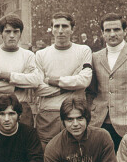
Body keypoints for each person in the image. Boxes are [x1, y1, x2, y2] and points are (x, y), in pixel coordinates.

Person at [35, 12, 92, 150]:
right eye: (57, 26)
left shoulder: (83, 50)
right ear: (52, 29)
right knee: (47, 154)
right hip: (48, 113)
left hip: (75, 113)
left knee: (76, 154)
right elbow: (38, 88)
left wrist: (53, 80)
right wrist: (71, 85)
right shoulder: (41, 54)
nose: (61, 30)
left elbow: (84, 80)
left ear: (72, 29)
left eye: (65, 26)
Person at [87, 13, 127, 152]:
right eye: (108, 30)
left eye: (116, 29)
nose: (112, 34)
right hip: (100, 122)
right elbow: (90, 91)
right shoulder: (95, 57)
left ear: (125, 31)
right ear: (102, 33)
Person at [0, 14, 41, 132]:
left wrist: (3, 75)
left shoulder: (28, 55)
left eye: (16, 31)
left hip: (21, 107)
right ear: (1, 33)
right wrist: (19, 85)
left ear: (20, 33)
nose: (12, 36)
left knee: (22, 146)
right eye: (7, 31)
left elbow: (35, 81)